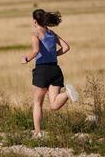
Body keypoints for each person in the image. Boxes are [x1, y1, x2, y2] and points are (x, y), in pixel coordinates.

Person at [21, 8, 79, 138]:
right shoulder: (52, 33)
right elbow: (66, 47)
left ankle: (37, 132)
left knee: (37, 103)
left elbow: (35, 51)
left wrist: (26, 59)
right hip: (55, 70)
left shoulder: (35, 35)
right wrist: (54, 54)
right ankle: (67, 94)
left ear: (35, 21)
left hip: (42, 71)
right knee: (53, 105)